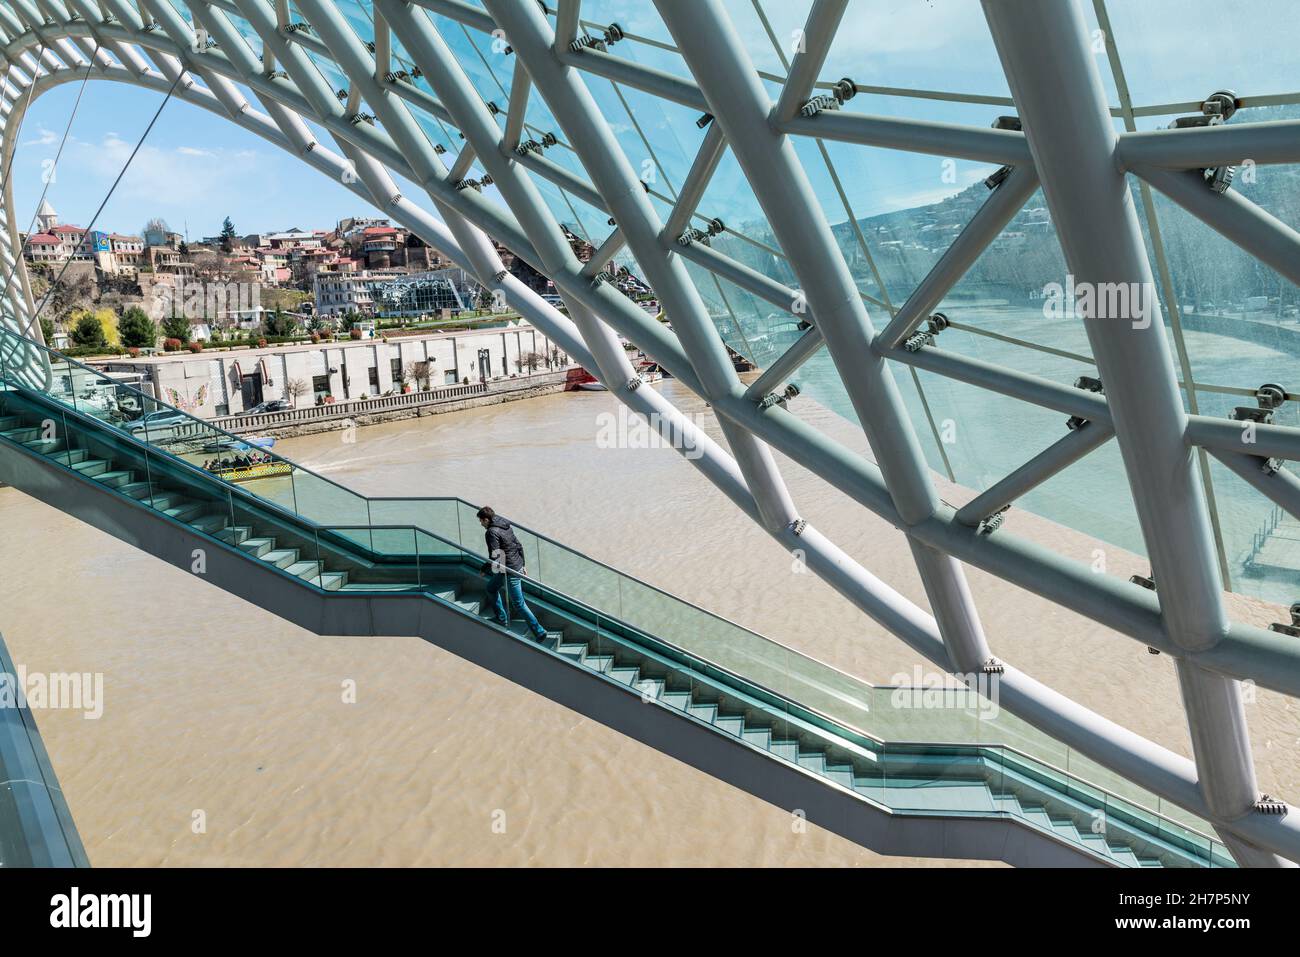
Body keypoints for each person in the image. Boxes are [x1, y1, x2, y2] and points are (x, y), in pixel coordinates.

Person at [477, 506, 547, 641]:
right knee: (491, 588)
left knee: (518, 604)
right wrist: (523, 564)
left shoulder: (491, 532)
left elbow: (495, 556)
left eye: (481, 521)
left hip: (510, 570)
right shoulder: (505, 525)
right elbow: (519, 545)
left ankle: (539, 631)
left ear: (486, 519)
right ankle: (501, 619)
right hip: (513, 566)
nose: (481, 524)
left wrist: (484, 568)